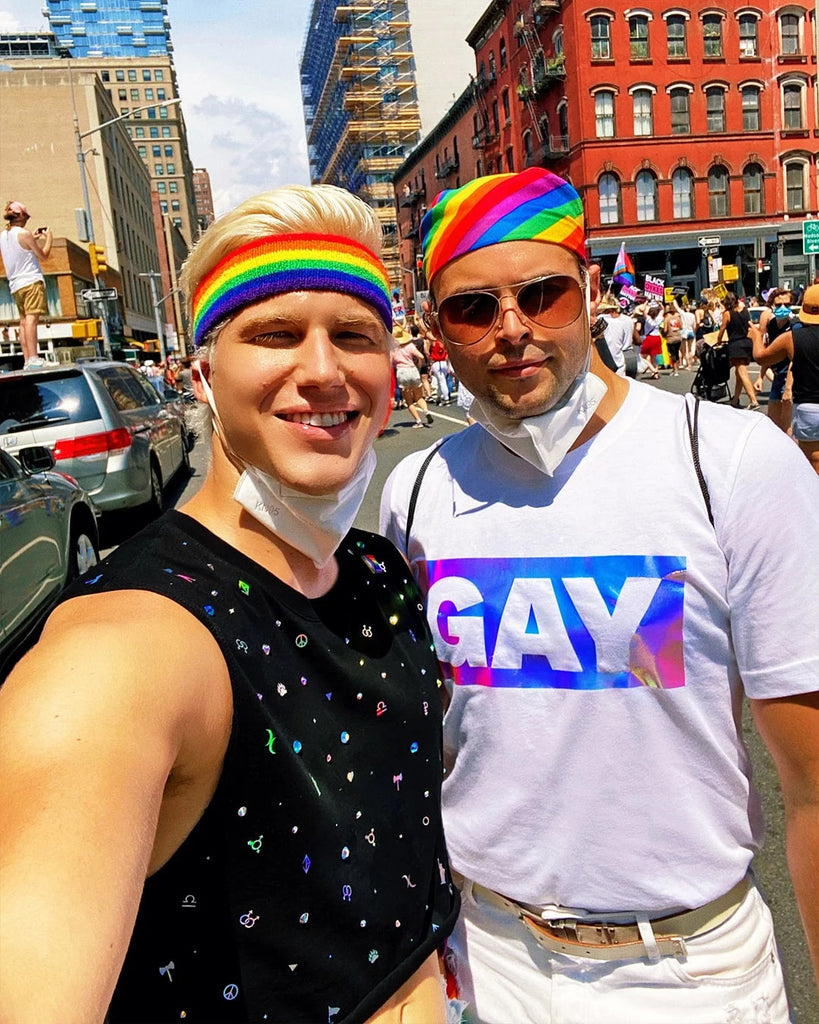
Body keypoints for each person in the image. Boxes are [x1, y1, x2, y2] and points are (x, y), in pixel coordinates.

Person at [0, 184, 458, 1024]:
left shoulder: (379, 573)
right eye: (275, 334)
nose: (322, 369)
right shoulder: (120, 655)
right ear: (205, 376)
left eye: (354, 335)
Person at [379, 167, 819, 1024]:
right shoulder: (416, 490)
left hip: (689, 968)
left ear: (588, 292)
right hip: (487, 956)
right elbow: (425, 739)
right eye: (474, 309)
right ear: (439, 331)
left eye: (541, 295)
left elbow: (811, 783)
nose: (512, 331)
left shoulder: (726, 461)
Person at [754, 283, 819, 474]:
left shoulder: (792, 337)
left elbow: (761, 357)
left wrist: (756, 336)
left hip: (809, 406)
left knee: (813, 462)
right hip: (806, 405)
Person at [0, 200, 52, 368]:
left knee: (23, 321)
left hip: (15, 285)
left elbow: (19, 249)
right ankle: (34, 359)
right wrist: (49, 237)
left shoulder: (4, 235)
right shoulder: (24, 234)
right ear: (21, 215)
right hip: (31, 281)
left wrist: (33, 238)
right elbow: (44, 255)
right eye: (26, 216)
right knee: (32, 320)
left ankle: (28, 360)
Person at [717, 292, 760, 410]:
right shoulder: (745, 310)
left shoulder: (727, 313)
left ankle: (753, 401)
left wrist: (719, 340)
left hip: (735, 345)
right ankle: (735, 400)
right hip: (747, 342)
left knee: (742, 372)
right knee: (738, 374)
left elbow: (722, 329)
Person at [391, 326, 434, 428]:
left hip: (402, 372)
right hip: (412, 369)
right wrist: (418, 365)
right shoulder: (410, 346)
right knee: (418, 396)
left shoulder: (393, 349)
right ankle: (426, 411)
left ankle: (418, 421)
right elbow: (421, 356)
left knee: (409, 401)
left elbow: (390, 361)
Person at [598, 297, 638, 377]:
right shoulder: (628, 320)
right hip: (628, 357)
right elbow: (638, 340)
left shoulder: (599, 320)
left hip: (609, 361)